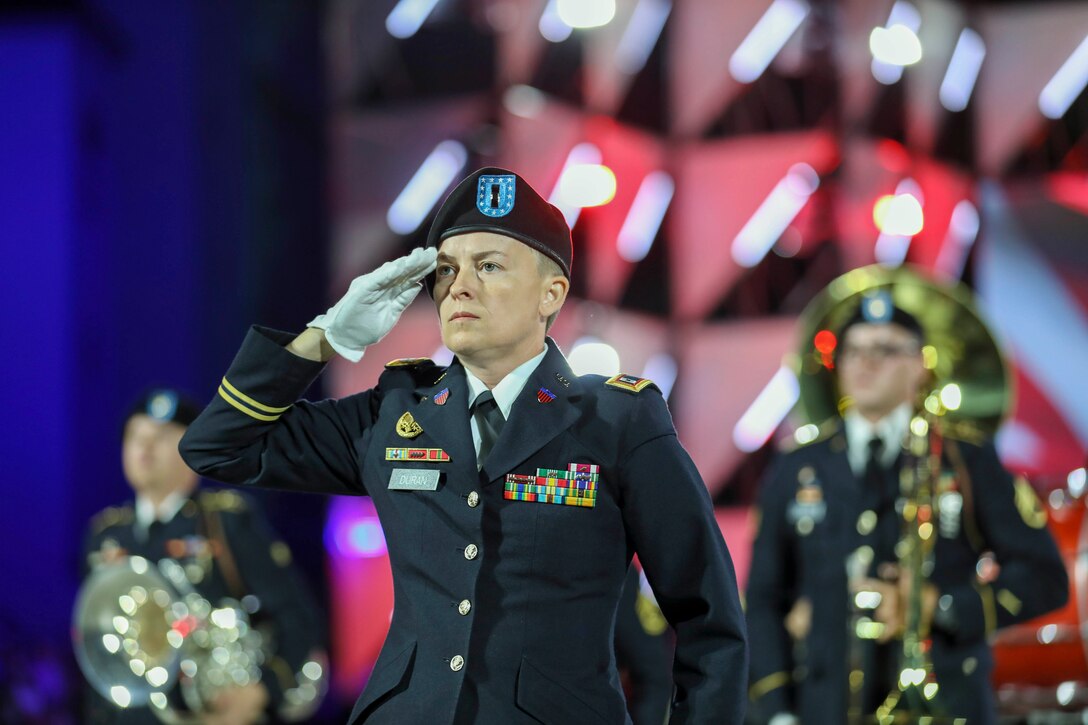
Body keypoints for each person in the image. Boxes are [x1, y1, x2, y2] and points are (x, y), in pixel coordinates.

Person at [179, 167, 748, 723]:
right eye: (447, 269)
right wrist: (326, 338)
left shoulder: (616, 421)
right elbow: (218, 446)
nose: (460, 286)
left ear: (551, 293)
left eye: (490, 265)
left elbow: (709, 621)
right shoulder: (397, 412)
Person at [745, 290, 1068, 724]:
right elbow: (763, 598)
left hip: (947, 705)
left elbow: (1045, 579)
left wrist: (941, 607)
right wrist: (777, 709)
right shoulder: (796, 466)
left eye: (885, 349)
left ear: (919, 364)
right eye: (854, 350)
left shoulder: (965, 458)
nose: (865, 363)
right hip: (825, 707)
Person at [81, 389, 328, 725]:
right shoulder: (105, 534)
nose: (145, 447)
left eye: (162, 436)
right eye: (135, 436)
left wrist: (261, 692)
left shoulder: (224, 520)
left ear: (193, 446)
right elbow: (94, 642)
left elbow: (297, 616)